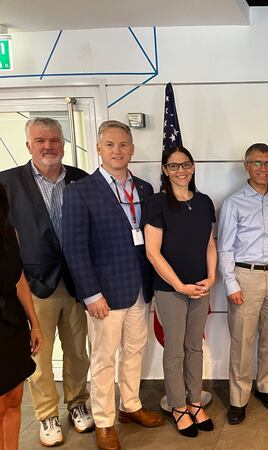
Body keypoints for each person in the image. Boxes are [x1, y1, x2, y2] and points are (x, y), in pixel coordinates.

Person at [62, 120, 163, 450]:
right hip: (104, 294)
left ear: (132, 149)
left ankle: (130, 406)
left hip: (139, 288)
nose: (117, 151)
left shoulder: (145, 189)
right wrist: (91, 294)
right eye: (110, 145)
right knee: (104, 359)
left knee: (135, 351)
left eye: (123, 145)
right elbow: (75, 248)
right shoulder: (80, 191)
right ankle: (104, 421)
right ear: (99, 148)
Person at [0, 117, 92, 447]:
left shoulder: (81, 180)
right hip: (35, 285)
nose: (47, 146)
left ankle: (78, 403)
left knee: (78, 351)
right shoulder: (6, 184)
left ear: (63, 144)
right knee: (40, 356)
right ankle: (47, 413)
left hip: (78, 282)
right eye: (40, 140)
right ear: (28, 145)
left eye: (53, 139)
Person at [144, 146, 216, 437]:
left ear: (193, 166)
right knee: (174, 350)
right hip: (170, 290)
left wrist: (211, 277)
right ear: (164, 170)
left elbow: (209, 244)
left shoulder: (204, 202)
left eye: (185, 164)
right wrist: (178, 285)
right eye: (173, 166)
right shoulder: (157, 203)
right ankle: (177, 406)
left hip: (200, 287)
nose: (180, 170)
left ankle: (195, 403)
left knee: (194, 347)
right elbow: (152, 252)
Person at [218, 143, 268, 425]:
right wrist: (231, 284)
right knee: (242, 342)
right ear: (246, 166)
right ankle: (238, 399)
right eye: (258, 163)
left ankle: (267, 388)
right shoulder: (233, 202)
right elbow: (224, 247)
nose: (263, 168)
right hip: (246, 276)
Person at [0, 183, 43, 450]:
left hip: (13, 324)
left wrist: (35, 324)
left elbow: (19, 282)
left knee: (14, 399)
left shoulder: (10, 233)